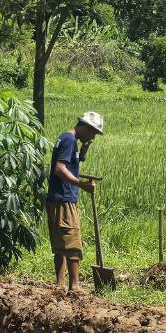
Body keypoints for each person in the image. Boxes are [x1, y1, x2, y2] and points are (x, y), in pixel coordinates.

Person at [45, 111, 104, 293]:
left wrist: (83, 152)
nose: (93, 136)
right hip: (65, 198)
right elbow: (60, 169)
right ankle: (75, 287)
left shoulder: (68, 140)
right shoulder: (69, 140)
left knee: (60, 244)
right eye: (93, 132)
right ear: (86, 127)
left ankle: (60, 285)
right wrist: (82, 185)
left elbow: (68, 164)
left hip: (57, 197)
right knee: (72, 243)